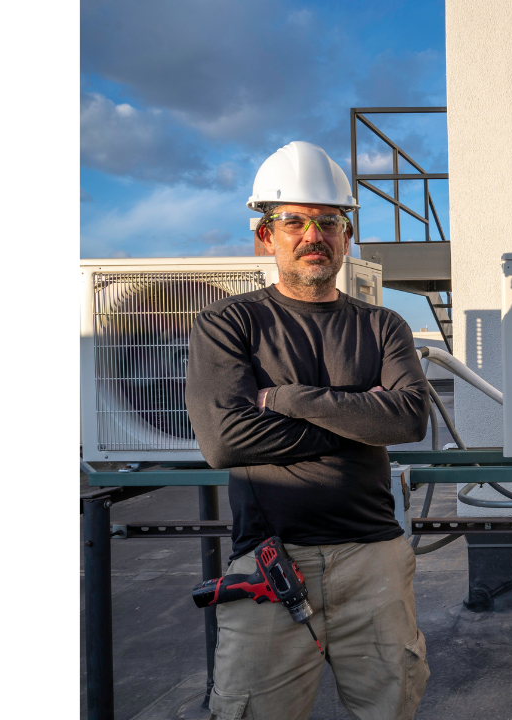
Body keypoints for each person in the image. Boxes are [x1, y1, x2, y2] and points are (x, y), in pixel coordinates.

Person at [185, 141, 432, 720]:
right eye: (292, 221)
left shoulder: (382, 324)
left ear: (347, 236)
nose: (312, 235)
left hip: (374, 560)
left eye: (328, 221)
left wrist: (289, 400)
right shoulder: (229, 322)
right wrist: (358, 419)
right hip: (271, 561)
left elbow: (409, 419)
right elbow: (224, 441)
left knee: (391, 709)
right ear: (264, 237)